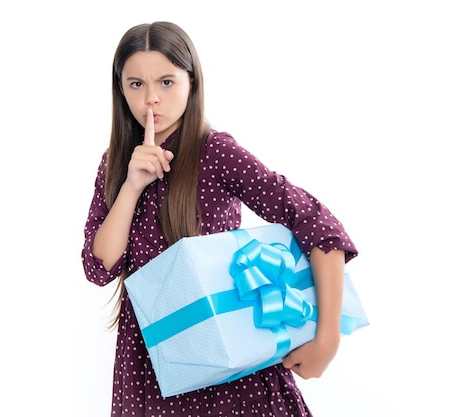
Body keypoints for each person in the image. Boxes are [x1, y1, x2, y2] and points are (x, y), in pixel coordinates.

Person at [81, 21, 358, 417]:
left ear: (191, 82)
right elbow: (99, 266)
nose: (151, 100)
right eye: (136, 84)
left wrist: (327, 339)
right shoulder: (114, 164)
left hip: (227, 359)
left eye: (166, 82)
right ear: (120, 88)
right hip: (151, 363)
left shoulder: (215, 153)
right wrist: (131, 185)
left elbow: (318, 224)